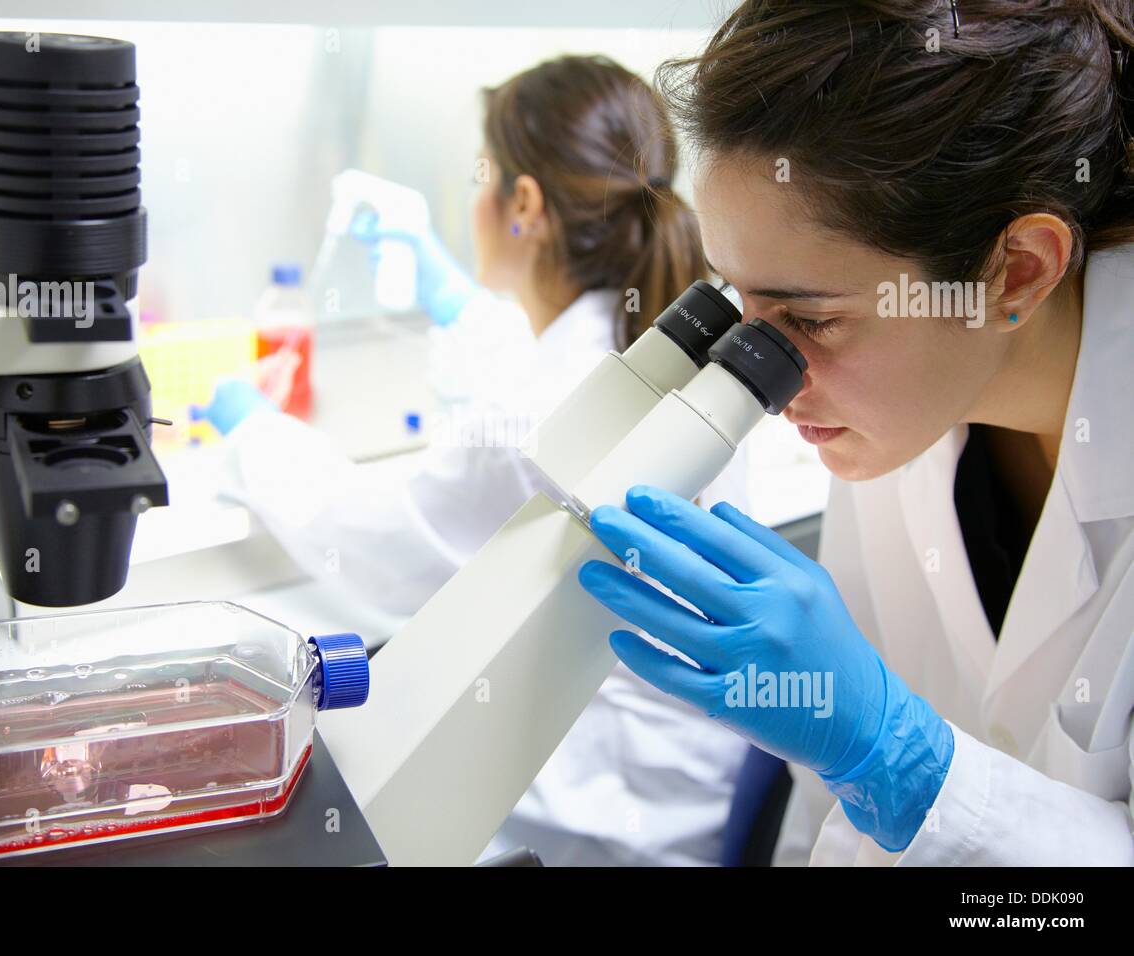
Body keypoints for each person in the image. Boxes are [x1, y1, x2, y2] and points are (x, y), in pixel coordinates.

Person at [576, 0, 1134, 865]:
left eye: (806, 317)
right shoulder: (897, 421)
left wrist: (903, 762)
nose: (759, 380)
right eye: (739, 304)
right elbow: (833, 825)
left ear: (1016, 270)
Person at [206, 55, 752, 865]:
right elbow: (529, 396)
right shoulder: (658, 353)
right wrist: (458, 305)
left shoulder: (552, 401)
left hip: (595, 818)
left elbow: (378, 542)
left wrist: (247, 429)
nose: (474, 202)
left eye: (484, 178)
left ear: (523, 204)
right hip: (679, 791)